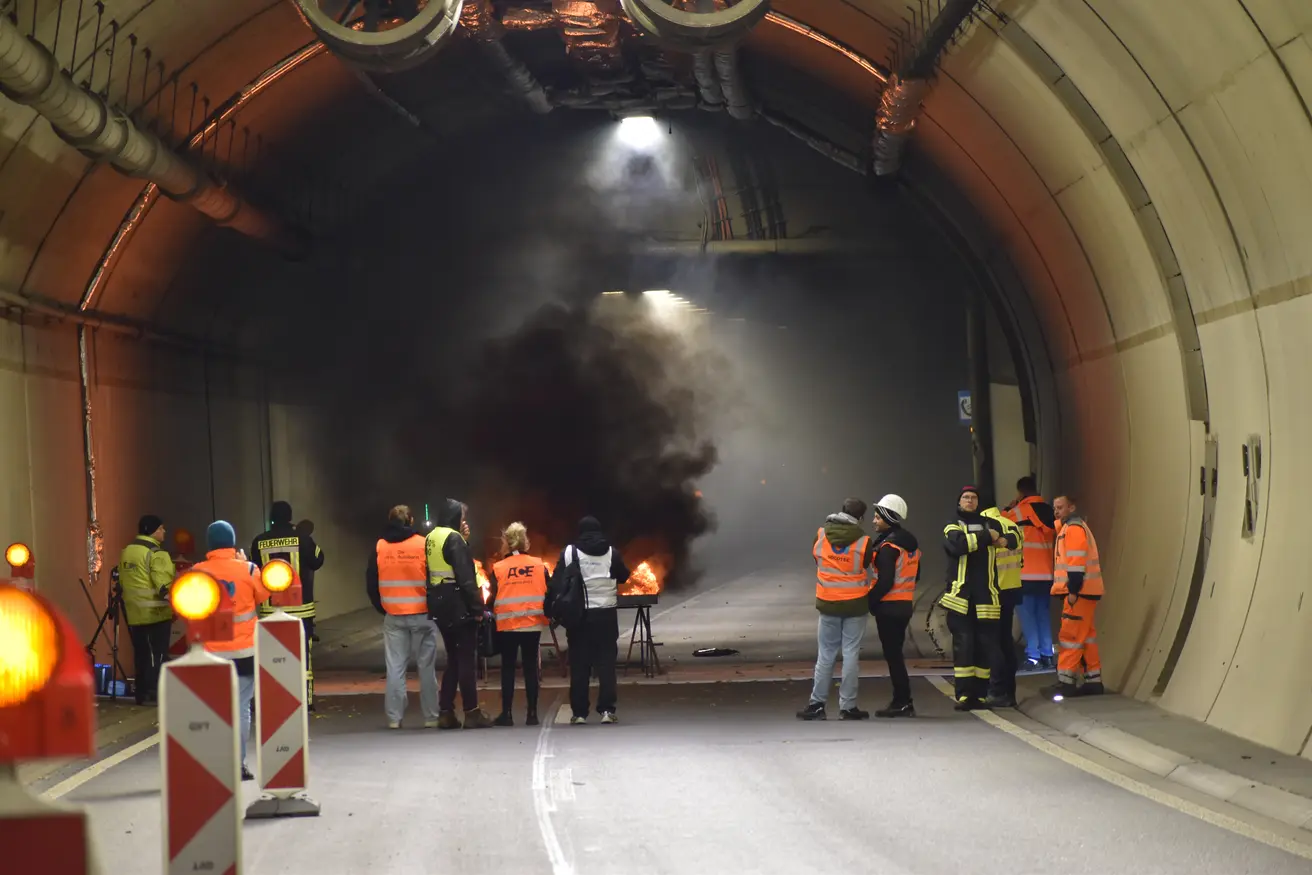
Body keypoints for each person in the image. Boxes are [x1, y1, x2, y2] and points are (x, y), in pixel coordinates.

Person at [191, 520, 270, 781]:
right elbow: (263, 596)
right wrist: (245, 562)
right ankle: (238, 764)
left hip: (210, 654)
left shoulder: (197, 572)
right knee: (241, 708)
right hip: (244, 652)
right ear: (233, 542)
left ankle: (214, 765)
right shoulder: (248, 569)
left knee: (213, 708)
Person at [798, 498, 876, 721]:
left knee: (826, 654)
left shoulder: (821, 535)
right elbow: (865, 564)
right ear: (860, 518)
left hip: (828, 603)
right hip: (856, 604)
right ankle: (848, 706)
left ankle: (816, 705)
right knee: (851, 654)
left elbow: (817, 559)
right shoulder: (864, 541)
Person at [548, 517, 631, 725]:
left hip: (579, 617)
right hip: (606, 616)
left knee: (579, 664)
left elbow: (556, 582)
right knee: (606, 664)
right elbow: (624, 576)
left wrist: (551, 608)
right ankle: (607, 710)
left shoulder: (570, 552)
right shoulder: (612, 552)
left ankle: (579, 713)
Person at [941, 486, 1018, 711]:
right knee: (964, 645)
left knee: (985, 647)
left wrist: (1003, 539)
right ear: (959, 502)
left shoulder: (991, 522)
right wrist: (987, 537)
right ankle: (965, 695)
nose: (970, 501)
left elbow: (1013, 537)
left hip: (987, 595)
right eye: (965, 497)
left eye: (974, 498)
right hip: (961, 596)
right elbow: (958, 545)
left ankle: (981, 695)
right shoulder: (953, 523)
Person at [366, 504, 441, 729]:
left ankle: (394, 718)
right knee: (426, 667)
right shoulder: (423, 544)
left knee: (395, 668)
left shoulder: (380, 546)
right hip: (422, 615)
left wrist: (383, 607)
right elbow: (433, 578)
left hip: (394, 616)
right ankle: (431, 717)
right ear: (410, 521)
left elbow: (371, 582)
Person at [424, 499, 492, 729]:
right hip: (457, 603)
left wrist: (464, 540)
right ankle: (472, 712)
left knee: (453, 659)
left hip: (440, 603)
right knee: (466, 660)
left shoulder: (432, 536)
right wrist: (477, 610)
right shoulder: (454, 539)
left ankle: (446, 712)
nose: (464, 521)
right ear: (454, 517)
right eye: (462, 517)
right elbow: (465, 577)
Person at [250, 501, 325, 707]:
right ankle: (306, 700)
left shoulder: (259, 541)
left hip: (270, 610)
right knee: (303, 655)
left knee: (272, 656)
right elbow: (319, 559)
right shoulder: (303, 538)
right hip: (301, 610)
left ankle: (274, 700)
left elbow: (254, 570)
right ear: (290, 516)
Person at [487, 522, 550, 727]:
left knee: (508, 668)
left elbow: (491, 598)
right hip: (532, 623)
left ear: (506, 542)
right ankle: (532, 714)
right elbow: (548, 592)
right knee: (531, 667)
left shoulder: (498, 568)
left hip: (508, 624)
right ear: (525, 542)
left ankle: (507, 714)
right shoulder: (539, 565)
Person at [866, 495, 921, 719]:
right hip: (905, 605)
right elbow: (916, 576)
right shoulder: (911, 543)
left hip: (888, 608)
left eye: (878, 517)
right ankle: (902, 700)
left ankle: (902, 701)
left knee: (893, 657)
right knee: (896, 655)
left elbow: (885, 581)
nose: (874, 521)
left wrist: (870, 602)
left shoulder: (888, 547)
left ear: (889, 517)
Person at [118, 514, 176, 706]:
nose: (164, 532)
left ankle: (141, 693)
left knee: (141, 654)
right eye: (162, 528)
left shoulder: (127, 551)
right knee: (158, 654)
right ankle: (157, 693)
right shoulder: (156, 553)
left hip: (134, 613)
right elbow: (163, 585)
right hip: (156, 613)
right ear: (154, 530)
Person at [1051, 495, 1104, 697]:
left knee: (1071, 635)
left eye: (1060, 507)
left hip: (1079, 592)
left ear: (1071, 507)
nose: (1057, 511)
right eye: (1055, 508)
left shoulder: (1073, 529)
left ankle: (1066, 682)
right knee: (1086, 636)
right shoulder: (1072, 527)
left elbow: (1076, 564)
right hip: (1087, 591)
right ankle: (1093, 680)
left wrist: (1073, 591)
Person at [1004, 476, 1057, 669]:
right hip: (1046, 574)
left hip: (1024, 574)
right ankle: (1047, 654)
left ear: (1020, 493)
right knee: (1042, 613)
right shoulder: (1051, 512)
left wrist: (1008, 508)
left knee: (1027, 615)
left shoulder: (1016, 513)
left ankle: (1033, 655)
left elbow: (997, 524)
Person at [982, 505, 1024, 708]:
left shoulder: (988, 525)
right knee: (1006, 641)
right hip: (1012, 588)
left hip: (995, 590)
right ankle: (1009, 692)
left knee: (993, 642)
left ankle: (996, 690)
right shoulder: (1012, 525)